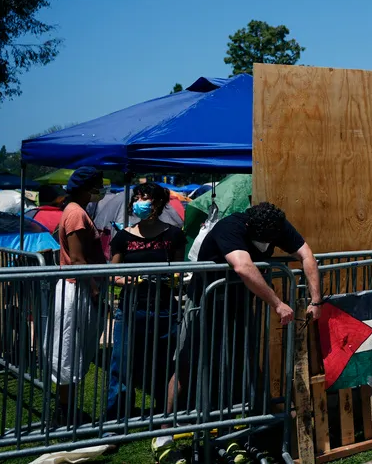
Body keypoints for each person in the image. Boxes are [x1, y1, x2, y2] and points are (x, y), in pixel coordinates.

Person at [156, 202, 320, 462]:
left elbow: (307, 255)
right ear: (250, 228)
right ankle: (162, 432)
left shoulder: (276, 225)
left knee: (236, 364)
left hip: (239, 303)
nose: (267, 245)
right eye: (262, 241)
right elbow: (243, 266)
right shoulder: (230, 227)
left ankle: (225, 429)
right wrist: (277, 303)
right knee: (187, 363)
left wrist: (316, 300)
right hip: (204, 301)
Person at [106, 182, 185, 419]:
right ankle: (116, 417)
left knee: (164, 363)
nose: (140, 200)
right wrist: (124, 281)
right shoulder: (122, 236)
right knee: (121, 365)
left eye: (145, 196)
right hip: (131, 309)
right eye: (138, 196)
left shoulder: (173, 235)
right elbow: (112, 274)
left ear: (158, 203)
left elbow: (180, 270)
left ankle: (164, 413)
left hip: (164, 310)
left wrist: (175, 279)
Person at [49, 167, 107, 424]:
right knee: (68, 350)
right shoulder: (76, 213)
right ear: (87, 188)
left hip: (79, 287)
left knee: (72, 350)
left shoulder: (77, 211)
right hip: (78, 288)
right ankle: (65, 411)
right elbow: (77, 259)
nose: (100, 191)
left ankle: (67, 408)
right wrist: (94, 291)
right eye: (97, 186)